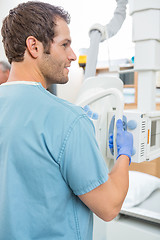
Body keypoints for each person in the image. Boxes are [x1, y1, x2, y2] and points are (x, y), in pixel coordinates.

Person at [0, 1, 133, 240]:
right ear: (34, 46)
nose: (72, 56)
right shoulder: (68, 119)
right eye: (65, 45)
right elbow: (109, 206)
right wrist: (125, 155)